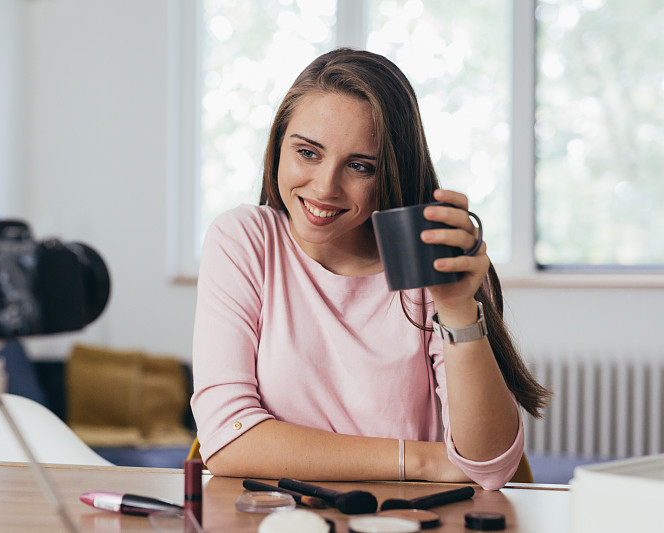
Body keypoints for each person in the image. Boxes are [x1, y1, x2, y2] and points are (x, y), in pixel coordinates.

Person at [190, 48, 549, 491]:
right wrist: (420, 459)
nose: (324, 187)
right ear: (278, 145)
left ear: (392, 170)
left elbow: (490, 465)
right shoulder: (246, 239)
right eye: (307, 153)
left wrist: (456, 308)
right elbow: (228, 442)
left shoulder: (434, 263)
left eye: (360, 166)